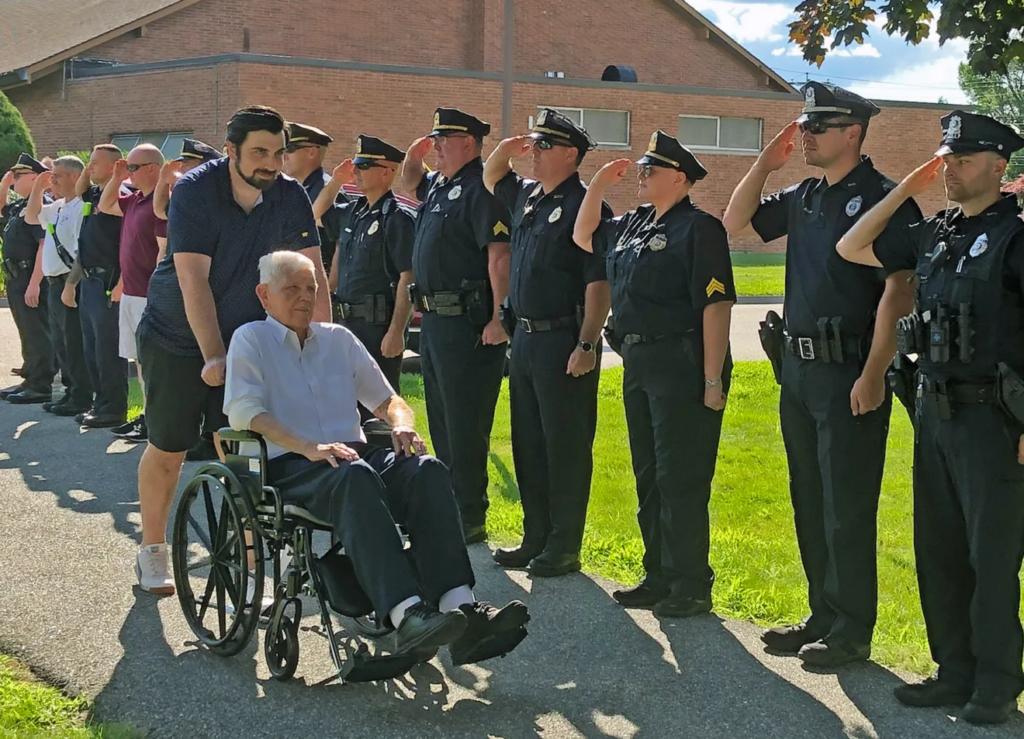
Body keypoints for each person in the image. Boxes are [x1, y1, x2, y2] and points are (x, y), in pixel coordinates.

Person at [225, 250, 530, 664]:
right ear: (264, 295)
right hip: (290, 463)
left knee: (426, 470)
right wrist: (308, 446)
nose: (304, 298)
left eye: (311, 288)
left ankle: (461, 609)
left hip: (352, 455)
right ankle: (407, 614)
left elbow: (387, 399)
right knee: (355, 476)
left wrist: (401, 423)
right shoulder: (251, 339)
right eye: (291, 289)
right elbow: (244, 411)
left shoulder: (338, 339)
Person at [721, 82, 921, 667]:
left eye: (817, 127)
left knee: (847, 505)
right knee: (809, 498)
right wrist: (765, 161)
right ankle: (823, 614)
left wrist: (875, 371)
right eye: (804, 126)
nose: (804, 136)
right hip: (799, 371)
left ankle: (853, 629)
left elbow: (900, 287)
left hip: (850, 371)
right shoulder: (805, 193)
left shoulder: (886, 199)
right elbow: (737, 220)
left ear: (852, 133)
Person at [836, 111, 1024, 725]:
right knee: (938, 549)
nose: (950, 169)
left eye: (963, 160)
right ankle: (954, 670)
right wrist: (908, 187)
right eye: (946, 159)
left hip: (995, 422)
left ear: (1000, 167)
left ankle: (997, 682)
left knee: (990, 556)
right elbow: (853, 244)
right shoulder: (934, 232)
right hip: (935, 414)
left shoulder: (1016, 238)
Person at [133, 105, 331, 595]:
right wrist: (213, 356)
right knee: (170, 448)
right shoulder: (196, 191)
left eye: (278, 152)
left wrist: (325, 347)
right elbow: (192, 278)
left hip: (248, 339)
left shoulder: (289, 196)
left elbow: (312, 275)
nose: (271, 163)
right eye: (259, 152)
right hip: (177, 337)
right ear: (230, 152)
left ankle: (247, 561)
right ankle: (153, 549)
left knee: (245, 452)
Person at [573, 132, 735, 616]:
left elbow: (716, 304)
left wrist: (711, 379)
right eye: (642, 169)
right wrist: (598, 185)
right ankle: (658, 573)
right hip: (639, 363)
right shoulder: (634, 224)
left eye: (651, 170)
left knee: (679, 477)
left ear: (680, 178)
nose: (641, 176)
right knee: (649, 475)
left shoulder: (699, 228)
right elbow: (583, 237)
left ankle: (690, 582)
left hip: (681, 363)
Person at [482, 109, 611, 577]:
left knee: (566, 446)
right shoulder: (529, 197)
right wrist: (509, 146)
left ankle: (564, 544)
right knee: (529, 443)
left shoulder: (586, 206)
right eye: (533, 145)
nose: (533, 154)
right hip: (527, 340)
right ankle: (535, 535)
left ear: (571, 155)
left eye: (543, 146)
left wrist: (588, 343)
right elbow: (492, 173)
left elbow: (599, 283)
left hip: (564, 340)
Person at [399, 107, 512, 543]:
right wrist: (420, 148)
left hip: (468, 322)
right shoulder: (440, 187)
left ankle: (470, 514)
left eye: (444, 139)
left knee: (465, 424)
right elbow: (409, 178)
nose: (436, 147)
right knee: (443, 421)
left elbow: (498, 256)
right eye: (434, 139)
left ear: (470, 142)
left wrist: (500, 317)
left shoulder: (482, 189)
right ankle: (449, 506)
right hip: (436, 323)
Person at [312, 134, 415, 408]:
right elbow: (317, 214)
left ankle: (384, 452)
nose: (356, 171)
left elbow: (408, 276)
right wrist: (335, 181)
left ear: (387, 172)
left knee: (379, 405)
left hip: (377, 324)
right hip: (346, 323)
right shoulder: (353, 212)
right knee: (344, 402)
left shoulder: (397, 218)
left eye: (364, 166)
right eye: (357, 165)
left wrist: (396, 331)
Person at [146, 139, 224, 450]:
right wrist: (165, 180)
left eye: (190, 163)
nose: (183, 169)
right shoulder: (185, 192)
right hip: (175, 306)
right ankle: (197, 436)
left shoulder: (211, 197)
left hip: (213, 298)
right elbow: (160, 209)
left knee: (215, 378)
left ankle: (207, 437)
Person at [88, 144, 168, 439]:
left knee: (153, 362)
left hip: (150, 295)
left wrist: (159, 294)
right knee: (139, 360)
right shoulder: (133, 200)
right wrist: (117, 177)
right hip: (132, 293)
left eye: (133, 168)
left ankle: (156, 421)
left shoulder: (161, 204)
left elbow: (164, 252)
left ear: (152, 169)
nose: (129, 172)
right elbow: (105, 206)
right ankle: (146, 418)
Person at [61, 144, 132, 429]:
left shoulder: (121, 196)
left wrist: (122, 282)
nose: (90, 167)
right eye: (88, 163)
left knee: (107, 349)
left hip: (108, 279)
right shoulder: (93, 194)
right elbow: (79, 190)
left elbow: (130, 244)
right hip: (90, 280)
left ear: (115, 166)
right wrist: (87, 171)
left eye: (95, 163)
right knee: (91, 348)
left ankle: (113, 407)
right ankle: (99, 403)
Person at [23, 155, 93, 414]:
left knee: (73, 342)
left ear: (75, 176)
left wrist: (70, 286)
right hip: (53, 283)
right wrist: (40, 188)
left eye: (58, 176)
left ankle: (81, 396)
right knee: (61, 342)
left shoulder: (79, 206)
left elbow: (80, 249)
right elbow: (32, 217)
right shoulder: (60, 206)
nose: (52, 180)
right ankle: (69, 390)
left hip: (68, 281)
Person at [0, 155, 54, 403]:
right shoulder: (21, 206)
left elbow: (44, 245)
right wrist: (4, 184)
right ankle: (30, 377)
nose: (14, 181)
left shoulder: (39, 205)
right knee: (27, 331)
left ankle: (40, 385)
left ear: (34, 178)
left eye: (18, 177)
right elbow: (0, 208)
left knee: (37, 332)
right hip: (16, 277)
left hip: (30, 275)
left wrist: (34, 283)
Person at [284, 122, 347, 274]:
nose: (284, 156)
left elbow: (342, 245)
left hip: (318, 277)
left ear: (312, 152)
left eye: (290, 149)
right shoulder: (294, 189)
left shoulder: (328, 190)